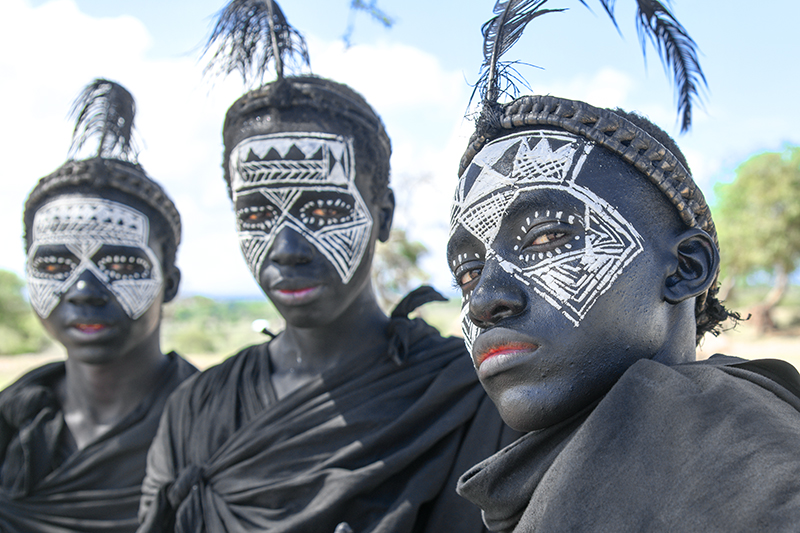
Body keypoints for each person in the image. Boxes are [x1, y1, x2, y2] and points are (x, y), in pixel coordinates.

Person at [138, 2, 516, 532]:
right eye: (256, 212)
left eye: (321, 209)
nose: (287, 245)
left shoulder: (468, 396)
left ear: (382, 214)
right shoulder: (195, 410)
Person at [447, 93, 800, 531]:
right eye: (467, 273)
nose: (482, 301)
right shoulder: (544, 476)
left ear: (685, 268)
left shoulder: (750, 462)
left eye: (545, 237)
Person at [0, 79, 197, 533]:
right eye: (54, 263)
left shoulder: (218, 427)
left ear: (169, 284)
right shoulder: (14, 424)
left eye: (120, 262)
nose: (84, 290)